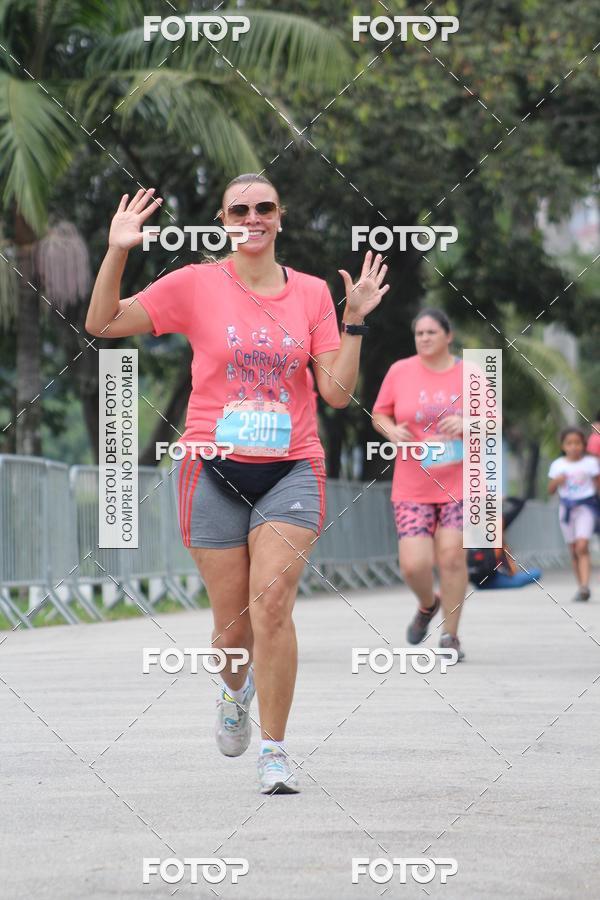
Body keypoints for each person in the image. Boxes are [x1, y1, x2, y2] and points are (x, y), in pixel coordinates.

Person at [85, 175, 389, 794]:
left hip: (291, 467)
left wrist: (353, 321)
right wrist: (119, 248)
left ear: (280, 216)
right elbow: (103, 322)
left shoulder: (308, 294)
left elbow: (333, 392)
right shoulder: (196, 283)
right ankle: (233, 690)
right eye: (240, 209)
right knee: (232, 629)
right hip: (211, 468)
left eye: (265, 207)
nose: (253, 217)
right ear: (224, 220)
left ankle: (275, 750)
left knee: (272, 605)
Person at [372, 308, 467, 660]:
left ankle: (451, 636)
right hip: (413, 484)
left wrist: (469, 423)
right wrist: (390, 429)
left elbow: (494, 420)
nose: (424, 338)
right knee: (414, 565)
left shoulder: (469, 373)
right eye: (419, 333)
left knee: (452, 557)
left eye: (431, 332)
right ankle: (429, 605)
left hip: (459, 484)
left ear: (448, 336)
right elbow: (379, 413)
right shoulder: (401, 371)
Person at [548, 427, 600, 602]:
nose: (573, 447)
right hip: (567, 509)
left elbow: (598, 485)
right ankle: (581, 588)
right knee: (573, 549)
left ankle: (585, 585)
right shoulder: (558, 465)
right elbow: (550, 490)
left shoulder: (590, 464)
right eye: (569, 443)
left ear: (583, 445)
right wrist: (557, 481)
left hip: (586, 507)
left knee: (582, 545)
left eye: (577, 443)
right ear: (563, 446)